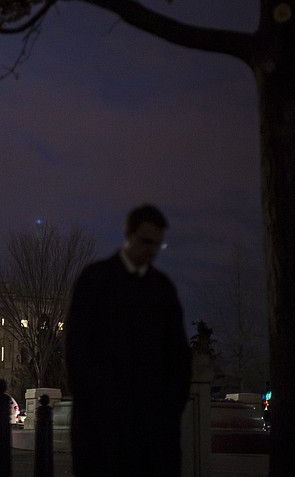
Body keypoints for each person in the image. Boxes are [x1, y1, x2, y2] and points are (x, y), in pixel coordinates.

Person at [65, 204, 192, 476]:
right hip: (104, 429)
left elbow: (179, 358)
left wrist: (167, 414)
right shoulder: (95, 281)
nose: (152, 251)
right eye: (146, 242)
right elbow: (77, 352)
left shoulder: (162, 289)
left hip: (151, 432)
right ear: (129, 235)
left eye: (157, 245)